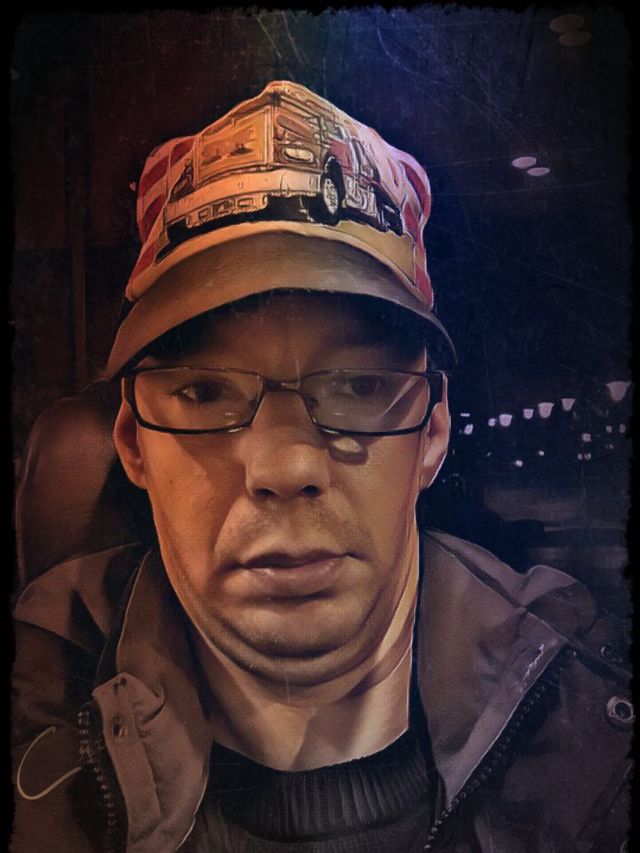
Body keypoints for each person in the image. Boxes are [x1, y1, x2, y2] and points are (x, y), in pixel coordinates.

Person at [12, 80, 632, 853]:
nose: (284, 463)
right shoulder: (36, 711)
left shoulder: (592, 731)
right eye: (203, 391)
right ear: (134, 442)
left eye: (361, 386)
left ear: (433, 432)